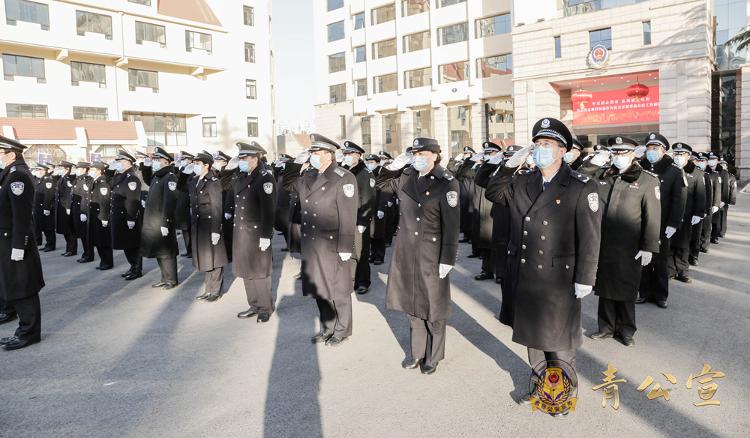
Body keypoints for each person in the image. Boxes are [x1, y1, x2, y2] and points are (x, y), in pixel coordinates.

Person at [488, 118, 602, 414]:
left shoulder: (580, 185)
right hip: (525, 275)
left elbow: (591, 236)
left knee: (559, 343)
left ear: (562, 151)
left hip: (559, 279)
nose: (540, 150)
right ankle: (542, 388)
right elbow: (492, 193)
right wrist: (510, 165)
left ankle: (564, 396)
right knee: (533, 340)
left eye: (547, 145)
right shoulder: (522, 180)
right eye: (537, 145)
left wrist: (586, 276)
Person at [375, 138, 460, 374]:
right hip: (406, 250)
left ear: (435, 155)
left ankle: (433, 356)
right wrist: (394, 165)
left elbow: (452, 225)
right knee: (412, 304)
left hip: (431, 252)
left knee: (433, 306)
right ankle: (417, 352)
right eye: (415, 153)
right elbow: (379, 184)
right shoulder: (407, 177)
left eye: (422, 153)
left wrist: (448, 258)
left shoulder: (447, 183)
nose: (418, 157)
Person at [579, 136, 661, 347]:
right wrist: (595, 161)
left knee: (626, 288)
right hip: (603, 242)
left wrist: (648, 247)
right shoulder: (604, 174)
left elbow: (652, 216)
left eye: (622, 153)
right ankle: (606, 327)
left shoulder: (647, 180)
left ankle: (626, 329)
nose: (618, 157)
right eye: (615, 153)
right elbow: (578, 176)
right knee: (605, 286)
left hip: (630, 245)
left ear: (633, 154)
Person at [295, 134, 358, 346]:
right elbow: (291, 192)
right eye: (311, 152)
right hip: (313, 243)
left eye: (316, 152)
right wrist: (298, 170)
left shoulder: (344, 177)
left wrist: (346, 245)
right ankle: (327, 326)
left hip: (333, 242)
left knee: (339, 289)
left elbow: (348, 214)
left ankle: (342, 329)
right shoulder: (308, 176)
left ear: (329, 155)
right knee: (319, 288)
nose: (312, 156)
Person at [0, 136, 45, 350]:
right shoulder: (9, 174)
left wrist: (19, 245)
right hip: (7, 242)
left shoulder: (18, 176)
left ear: (10, 153)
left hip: (14, 243)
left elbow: (22, 215)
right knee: (15, 287)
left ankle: (29, 333)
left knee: (23, 288)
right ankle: (23, 329)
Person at [637, 133, 687, 309]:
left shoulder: (673, 170)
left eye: (655, 148)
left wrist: (674, 223)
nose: (651, 151)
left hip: (663, 224)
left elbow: (678, 199)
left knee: (660, 261)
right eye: (649, 148)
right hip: (642, 223)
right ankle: (643, 292)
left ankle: (660, 294)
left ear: (664, 150)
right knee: (642, 260)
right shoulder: (639, 168)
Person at [231, 142, 276, 322]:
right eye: (240, 158)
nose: (241, 161)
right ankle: (254, 305)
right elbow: (226, 186)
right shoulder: (242, 176)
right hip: (243, 234)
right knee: (246, 271)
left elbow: (269, 209)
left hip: (257, 234)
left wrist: (266, 235)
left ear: (254, 159)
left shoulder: (265, 178)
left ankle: (265, 307)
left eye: (244, 158)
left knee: (259, 272)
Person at [484, 145, 527, 326]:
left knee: (519, 278)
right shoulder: (503, 175)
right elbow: (482, 181)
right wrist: (499, 164)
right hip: (501, 231)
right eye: (507, 157)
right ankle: (507, 311)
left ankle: (521, 313)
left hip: (518, 232)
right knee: (503, 275)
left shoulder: (526, 177)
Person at [181, 152, 228, 302]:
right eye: (194, 163)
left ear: (206, 165)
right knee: (206, 258)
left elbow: (216, 207)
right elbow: (182, 188)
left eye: (197, 163)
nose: (195, 166)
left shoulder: (212, 182)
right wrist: (183, 172)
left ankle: (215, 290)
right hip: (199, 225)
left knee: (215, 258)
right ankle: (208, 289)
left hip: (209, 224)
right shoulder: (195, 180)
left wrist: (216, 230)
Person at [140, 147, 179, 290]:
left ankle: (171, 279)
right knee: (158, 250)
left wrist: (165, 222)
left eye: (157, 160)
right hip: (153, 220)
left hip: (162, 221)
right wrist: (146, 165)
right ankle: (164, 278)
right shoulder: (158, 176)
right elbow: (146, 179)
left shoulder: (170, 177)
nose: (155, 162)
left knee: (167, 252)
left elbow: (170, 201)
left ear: (165, 161)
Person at [667, 143, 706, 283]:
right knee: (670, 243)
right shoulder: (669, 170)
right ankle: (670, 269)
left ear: (688, 156)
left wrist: (699, 212)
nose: (678, 157)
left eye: (681, 154)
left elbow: (700, 195)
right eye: (676, 154)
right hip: (670, 214)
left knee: (683, 244)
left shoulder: (697, 173)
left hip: (687, 215)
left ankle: (682, 270)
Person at [341, 141, 376, 295]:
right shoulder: (345, 171)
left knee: (361, 252)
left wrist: (363, 220)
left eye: (350, 154)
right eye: (346, 154)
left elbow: (369, 199)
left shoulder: (365, 173)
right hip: (346, 218)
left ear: (358, 155)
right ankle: (351, 278)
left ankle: (363, 282)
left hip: (359, 219)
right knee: (348, 251)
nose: (347, 157)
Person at [471, 142, 503, 281]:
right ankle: (487, 270)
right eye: (486, 153)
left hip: (496, 210)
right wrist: (489, 163)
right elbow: (479, 179)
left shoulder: (503, 169)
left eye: (491, 153)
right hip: (483, 208)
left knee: (498, 243)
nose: (488, 156)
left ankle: (499, 272)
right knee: (485, 242)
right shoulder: (487, 167)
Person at [110, 150, 143, 281]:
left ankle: (137, 269)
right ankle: (132, 266)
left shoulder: (132, 178)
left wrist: (131, 217)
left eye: (118, 162)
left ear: (126, 162)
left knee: (133, 244)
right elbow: (110, 184)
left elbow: (132, 199)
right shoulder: (120, 176)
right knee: (125, 244)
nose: (116, 164)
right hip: (119, 216)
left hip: (127, 216)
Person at [87, 162, 114, 270]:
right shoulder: (95, 181)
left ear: (99, 170)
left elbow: (105, 201)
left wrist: (104, 217)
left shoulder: (102, 182)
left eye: (93, 169)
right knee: (98, 240)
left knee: (104, 240)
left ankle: (108, 262)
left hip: (101, 215)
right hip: (95, 215)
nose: (91, 171)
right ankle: (103, 261)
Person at [56, 161, 77, 257]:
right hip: (61, 207)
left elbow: (69, 194)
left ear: (67, 169)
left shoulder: (69, 179)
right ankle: (68, 248)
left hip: (66, 207)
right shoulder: (62, 178)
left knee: (69, 229)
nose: (59, 170)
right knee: (65, 229)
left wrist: (68, 207)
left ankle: (72, 249)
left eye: (61, 168)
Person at [33, 164, 56, 251]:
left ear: (44, 171)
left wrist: (47, 208)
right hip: (38, 208)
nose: (38, 171)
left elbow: (48, 195)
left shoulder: (47, 180)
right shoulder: (38, 180)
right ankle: (47, 244)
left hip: (45, 208)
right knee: (43, 227)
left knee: (48, 227)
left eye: (39, 170)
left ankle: (51, 245)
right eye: (37, 169)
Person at [710, 156, 731, 243]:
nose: (711, 161)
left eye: (713, 159)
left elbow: (725, 187)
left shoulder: (723, 172)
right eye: (710, 159)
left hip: (719, 198)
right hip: (710, 198)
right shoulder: (707, 170)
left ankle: (715, 236)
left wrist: (723, 200)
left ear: (717, 161)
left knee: (716, 220)